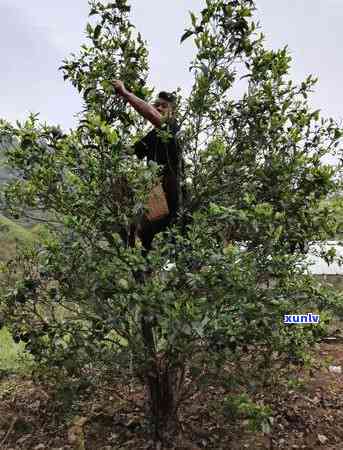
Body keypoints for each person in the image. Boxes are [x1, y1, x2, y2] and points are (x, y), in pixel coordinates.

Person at [113, 80, 183, 255]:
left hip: (170, 198)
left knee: (174, 245)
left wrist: (126, 94)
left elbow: (151, 115)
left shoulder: (173, 128)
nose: (159, 108)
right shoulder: (152, 136)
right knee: (143, 240)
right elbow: (129, 151)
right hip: (154, 196)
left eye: (164, 106)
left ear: (172, 112)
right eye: (156, 105)